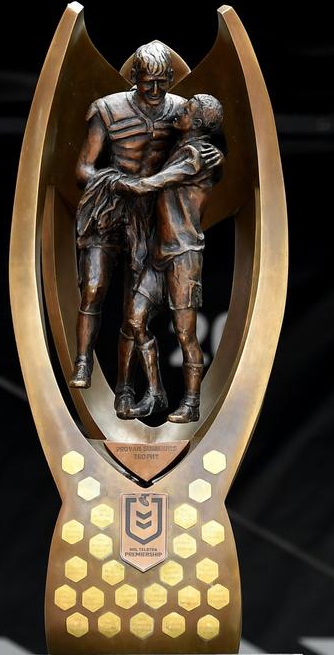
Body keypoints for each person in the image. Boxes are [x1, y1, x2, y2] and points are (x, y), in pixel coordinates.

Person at [70, 40, 188, 419]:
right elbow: (83, 169)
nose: (154, 91)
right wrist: (119, 182)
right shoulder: (107, 109)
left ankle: (124, 389)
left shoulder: (182, 112)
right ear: (133, 77)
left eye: (161, 83)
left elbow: (198, 158)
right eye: (146, 82)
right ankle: (83, 359)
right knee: (93, 286)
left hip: (151, 216)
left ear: (171, 78)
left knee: (135, 311)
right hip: (108, 206)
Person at [115, 94, 224, 422]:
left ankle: (191, 403)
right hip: (160, 254)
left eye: (188, 109)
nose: (182, 111)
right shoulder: (182, 148)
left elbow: (157, 182)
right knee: (134, 320)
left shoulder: (201, 155)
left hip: (183, 256)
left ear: (200, 122)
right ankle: (156, 392)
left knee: (185, 334)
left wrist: (125, 182)